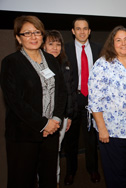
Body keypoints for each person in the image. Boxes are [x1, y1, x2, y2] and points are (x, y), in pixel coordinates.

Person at [0, 15, 66, 188]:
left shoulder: (51, 60)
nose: (33, 37)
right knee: (22, 180)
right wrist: (43, 124)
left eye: (37, 32)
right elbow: (15, 102)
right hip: (24, 135)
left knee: (48, 179)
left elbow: (62, 93)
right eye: (27, 33)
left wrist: (56, 120)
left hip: (51, 133)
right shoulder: (11, 62)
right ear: (18, 38)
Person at [88, 26, 126, 188]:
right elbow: (94, 99)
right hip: (112, 130)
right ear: (112, 43)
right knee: (116, 173)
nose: (123, 43)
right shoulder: (102, 64)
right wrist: (102, 128)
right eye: (118, 40)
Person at [63, 17, 101, 185]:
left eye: (85, 28)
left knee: (92, 138)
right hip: (72, 98)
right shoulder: (65, 49)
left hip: (92, 99)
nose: (82, 31)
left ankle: (92, 169)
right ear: (73, 31)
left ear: (89, 31)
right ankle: (71, 171)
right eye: (78, 28)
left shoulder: (98, 49)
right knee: (71, 139)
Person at [43, 30, 77, 186]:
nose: (55, 48)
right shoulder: (39, 65)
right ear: (43, 45)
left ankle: (54, 181)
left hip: (61, 117)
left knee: (55, 151)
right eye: (51, 44)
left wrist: (68, 116)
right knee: (43, 155)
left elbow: (69, 92)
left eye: (58, 44)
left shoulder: (65, 64)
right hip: (42, 119)